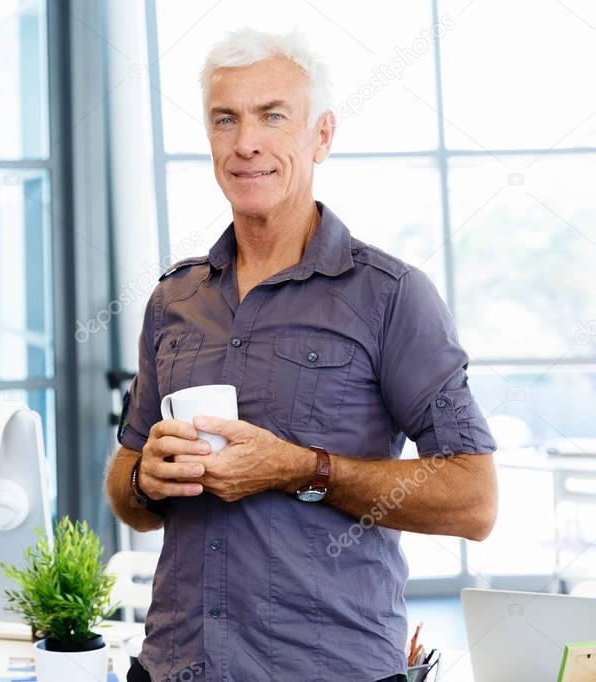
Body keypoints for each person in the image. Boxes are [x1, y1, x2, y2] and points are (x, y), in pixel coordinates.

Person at [105, 28, 498, 682]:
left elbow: (473, 501)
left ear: (321, 135)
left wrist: (301, 469)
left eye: (272, 116)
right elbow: (125, 490)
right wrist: (146, 476)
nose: (245, 143)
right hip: (174, 665)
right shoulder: (172, 299)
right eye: (224, 119)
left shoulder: (389, 296)